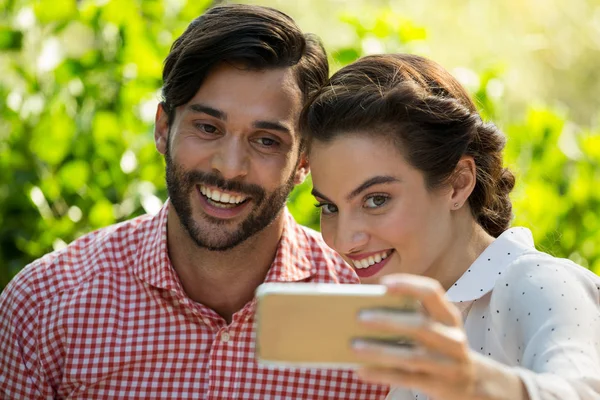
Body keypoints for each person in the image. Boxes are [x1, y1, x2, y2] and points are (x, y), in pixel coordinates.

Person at [0, 5, 388, 399]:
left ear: (304, 160)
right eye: (207, 128)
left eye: (266, 140)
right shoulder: (44, 307)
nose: (230, 167)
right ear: (163, 128)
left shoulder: (368, 316)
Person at [300, 53, 600, 400]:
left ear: (458, 183)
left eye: (376, 200)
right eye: (330, 207)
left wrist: (473, 383)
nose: (344, 240)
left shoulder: (539, 284)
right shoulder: (412, 320)